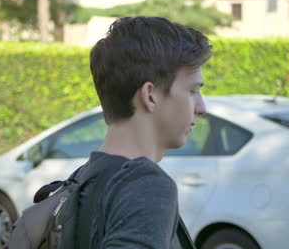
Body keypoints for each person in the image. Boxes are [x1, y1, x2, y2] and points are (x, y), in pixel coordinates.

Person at [77, 16, 212, 249]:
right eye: (192, 91)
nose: (201, 108)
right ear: (150, 96)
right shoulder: (146, 187)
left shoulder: (81, 180)